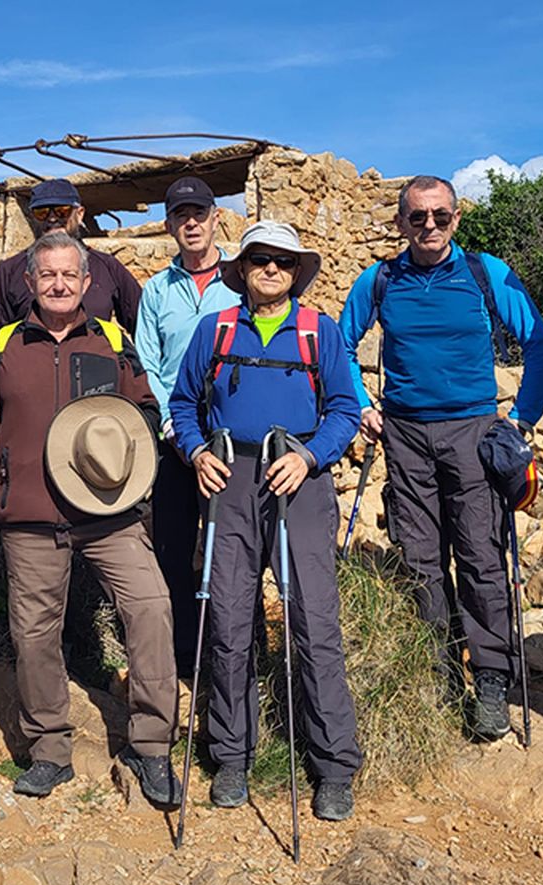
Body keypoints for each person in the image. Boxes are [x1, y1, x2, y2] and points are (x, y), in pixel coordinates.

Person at [337, 175, 543, 740]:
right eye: (417, 217)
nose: (429, 226)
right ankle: (436, 671)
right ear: (400, 223)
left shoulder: (487, 274)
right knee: (420, 558)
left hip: (474, 431)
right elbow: (340, 345)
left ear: (456, 219)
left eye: (440, 216)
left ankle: (489, 679)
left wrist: (523, 418)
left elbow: (539, 342)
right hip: (405, 434)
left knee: (481, 555)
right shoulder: (381, 279)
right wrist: (362, 403)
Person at [0, 231, 180, 807]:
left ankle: (152, 746)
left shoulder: (112, 339)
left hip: (109, 512)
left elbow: (144, 409)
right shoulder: (6, 344)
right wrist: (8, 456)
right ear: (30, 283)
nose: (59, 285)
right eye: (48, 275)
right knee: (35, 633)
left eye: (70, 275)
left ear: (87, 283)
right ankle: (49, 751)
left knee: (151, 607)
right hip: (31, 512)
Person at [169, 220, 363, 821]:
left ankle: (333, 765)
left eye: (282, 261)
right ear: (244, 270)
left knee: (314, 619)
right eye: (260, 260)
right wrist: (196, 452)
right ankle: (231, 755)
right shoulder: (215, 329)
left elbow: (345, 409)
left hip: (297, 478)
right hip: (231, 478)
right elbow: (183, 405)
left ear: (297, 271)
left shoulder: (319, 331)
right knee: (228, 618)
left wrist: (308, 457)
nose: (272, 270)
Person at [133, 176, 241, 677]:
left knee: (233, 553)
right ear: (169, 224)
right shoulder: (156, 290)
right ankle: (183, 659)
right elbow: (147, 364)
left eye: (199, 212)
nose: (191, 223)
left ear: (216, 216)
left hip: (230, 439)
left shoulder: (241, 280)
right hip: (175, 442)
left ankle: (235, 655)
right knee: (175, 549)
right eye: (181, 215)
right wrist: (175, 429)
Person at [0, 178, 141, 348]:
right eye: (42, 212)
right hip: (33, 372)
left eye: (62, 211)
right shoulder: (10, 271)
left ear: (80, 214)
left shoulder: (107, 267)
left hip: (95, 371)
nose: (52, 218)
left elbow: (145, 329)